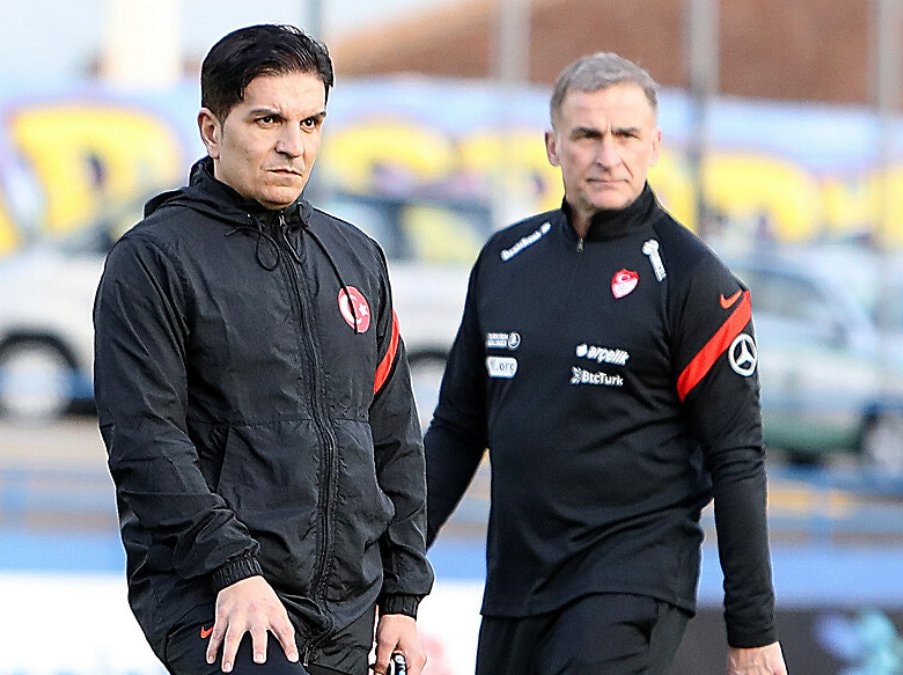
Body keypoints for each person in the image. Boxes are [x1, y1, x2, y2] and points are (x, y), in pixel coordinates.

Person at [424, 52, 788, 674]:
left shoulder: (694, 281)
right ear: (552, 145)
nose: (607, 155)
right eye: (587, 135)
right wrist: (393, 569)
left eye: (626, 135)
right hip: (514, 587)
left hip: (629, 584)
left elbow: (737, 459)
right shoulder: (505, 261)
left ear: (655, 146)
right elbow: (457, 430)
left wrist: (752, 629)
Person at [93, 24, 432, 675]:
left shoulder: (356, 257)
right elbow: (144, 440)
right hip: (217, 591)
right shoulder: (153, 259)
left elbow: (394, 440)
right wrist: (233, 568)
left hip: (349, 608)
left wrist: (402, 598)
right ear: (211, 129)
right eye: (268, 120)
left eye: (311, 123)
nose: (292, 145)